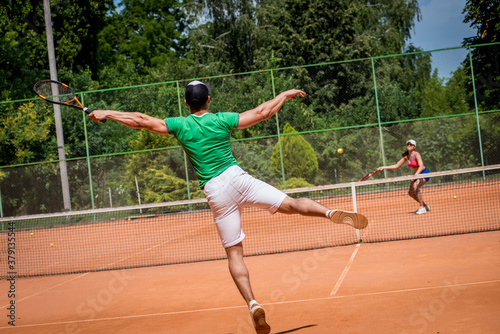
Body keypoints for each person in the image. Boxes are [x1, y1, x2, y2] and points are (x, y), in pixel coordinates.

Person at [89, 81, 368, 334]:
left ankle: (253, 303)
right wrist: (284, 94)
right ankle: (329, 213)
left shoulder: (179, 125)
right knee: (291, 203)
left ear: (187, 103)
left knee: (234, 253)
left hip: (215, 192)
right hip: (237, 178)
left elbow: (140, 120)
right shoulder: (222, 119)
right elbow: (262, 112)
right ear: (209, 100)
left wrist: (107, 112)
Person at [376, 139, 430, 215]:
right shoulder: (406, 157)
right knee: (411, 193)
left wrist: (415, 176)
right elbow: (396, 166)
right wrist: (383, 167)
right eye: (408, 144)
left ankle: (422, 208)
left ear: (414, 147)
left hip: (424, 173)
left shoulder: (416, 154)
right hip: (416, 175)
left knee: (415, 186)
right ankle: (425, 206)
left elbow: (421, 166)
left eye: (411, 145)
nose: (409, 145)